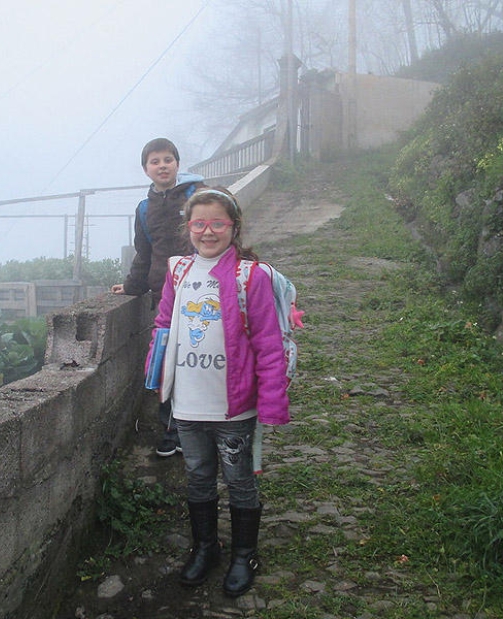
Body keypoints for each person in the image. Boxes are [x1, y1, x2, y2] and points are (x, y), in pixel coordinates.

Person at [148, 186, 290, 597]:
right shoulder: (178, 271)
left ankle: (245, 554)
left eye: (217, 223)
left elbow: (268, 342)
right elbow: (163, 324)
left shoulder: (251, 276)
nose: (207, 232)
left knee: (240, 480)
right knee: (197, 477)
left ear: (234, 226)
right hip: (188, 403)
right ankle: (205, 547)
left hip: (233, 406)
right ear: (188, 227)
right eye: (199, 224)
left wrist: (271, 400)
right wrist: (157, 374)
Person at [112, 138, 204, 458]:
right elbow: (144, 253)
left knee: (199, 361)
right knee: (167, 363)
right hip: (165, 296)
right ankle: (171, 430)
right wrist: (132, 286)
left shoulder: (198, 195)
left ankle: (198, 427)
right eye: (155, 161)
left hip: (201, 294)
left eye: (168, 159)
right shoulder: (144, 208)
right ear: (145, 169)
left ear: (177, 163)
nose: (162, 166)